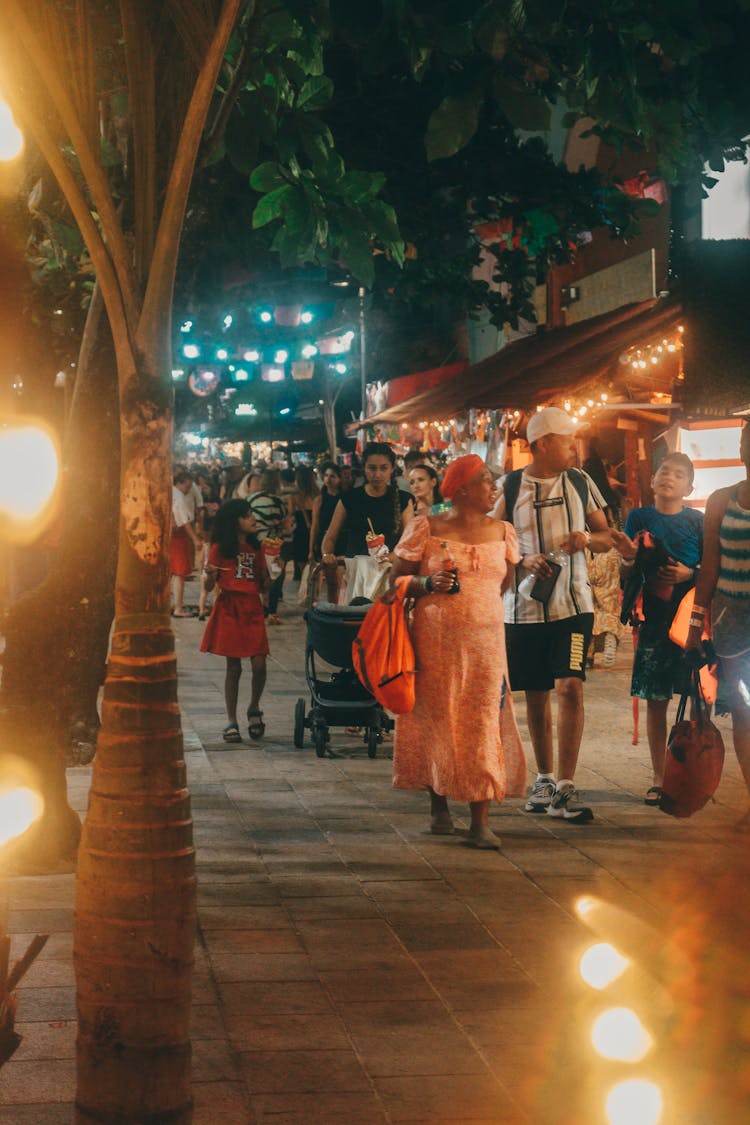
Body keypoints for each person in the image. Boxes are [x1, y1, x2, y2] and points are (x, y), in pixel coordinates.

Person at [390, 454, 526, 848]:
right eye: (486, 480)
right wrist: (427, 583)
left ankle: (481, 820)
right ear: (463, 488)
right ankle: (439, 808)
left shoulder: (503, 532)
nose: (494, 487)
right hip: (433, 641)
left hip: (486, 644)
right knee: (438, 716)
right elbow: (396, 579)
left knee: (483, 720)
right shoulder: (426, 527)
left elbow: (503, 584)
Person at [493, 406, 612, 823]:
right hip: (522, 610)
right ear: (543, 445)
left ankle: (566, 784)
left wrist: (584, 538)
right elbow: (494, 544)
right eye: (566, 441)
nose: (574, 448)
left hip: (574, 607)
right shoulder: (508, 487)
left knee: (571, 687)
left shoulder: (580, 482)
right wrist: (524, 560)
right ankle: (543, 777)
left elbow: (606, 537)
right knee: (537, 694)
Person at [612, 452, 703, 805]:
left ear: (689, 487)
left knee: (696, 697)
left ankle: (692, 775)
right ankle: (660, 776)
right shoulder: (639, 517)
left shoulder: (698, 520)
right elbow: (626, 569)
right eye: (664, 471)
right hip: (653, 618)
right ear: (652, 481)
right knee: (656, 699)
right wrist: (629, 557)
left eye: (679, 475)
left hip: (692, 620)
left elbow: (709, 566)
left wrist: (688, 574)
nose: (670, 477)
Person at [686, 423, 750, 831]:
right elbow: (709, 567)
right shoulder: (722, 501)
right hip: (732, 625)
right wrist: (695, 626)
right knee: (744, 712)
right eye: (747, 440)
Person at [200, 499, 270, 743]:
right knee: (234, 667)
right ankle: (231, 720)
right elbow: (209, 585)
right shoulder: (220, 548)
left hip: (252, 607)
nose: (253, 520)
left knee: (259, 663)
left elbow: (264, 584)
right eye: (247, 515)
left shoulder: (257, 547)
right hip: (230, 607)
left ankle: (254, 706)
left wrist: (272, 571)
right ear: (234, 521)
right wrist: (210, 576)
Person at [321, 442, 414, 601]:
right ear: (364, 468)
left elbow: (409, 542)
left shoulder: (404, 500)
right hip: (355, 576)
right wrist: (327, 554)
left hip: (389, 574)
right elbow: (330, 537)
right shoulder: (349, 498)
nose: (377, 474)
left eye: (383, 468)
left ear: (392, 469)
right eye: (372, 468)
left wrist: (391, 557)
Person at [248, 468, 291, 625]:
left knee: (259, 574)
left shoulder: (251, 498)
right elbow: (286, 524)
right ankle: (271, 611)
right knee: (275, 575)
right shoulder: (278, 501)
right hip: (272, 543)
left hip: (254, 542)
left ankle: (260, 607)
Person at [170, 470, 202, 617]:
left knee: (173, 572)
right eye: (187, 487)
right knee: (179, 572)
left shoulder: (172, 492)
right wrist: (195, 539)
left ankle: (172, 604)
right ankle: (178, 608)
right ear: (179, 483)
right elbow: (185, 522)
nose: (188, 490)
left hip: (171, 536)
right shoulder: (178, 496)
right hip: (178, 537)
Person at [291, 464, 319, 579]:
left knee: (302, 562)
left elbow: (291, 513)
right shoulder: (318, 494)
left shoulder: (295, 496)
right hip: (316, 529)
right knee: (315, 560)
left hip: (300, 531)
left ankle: (305, 582)